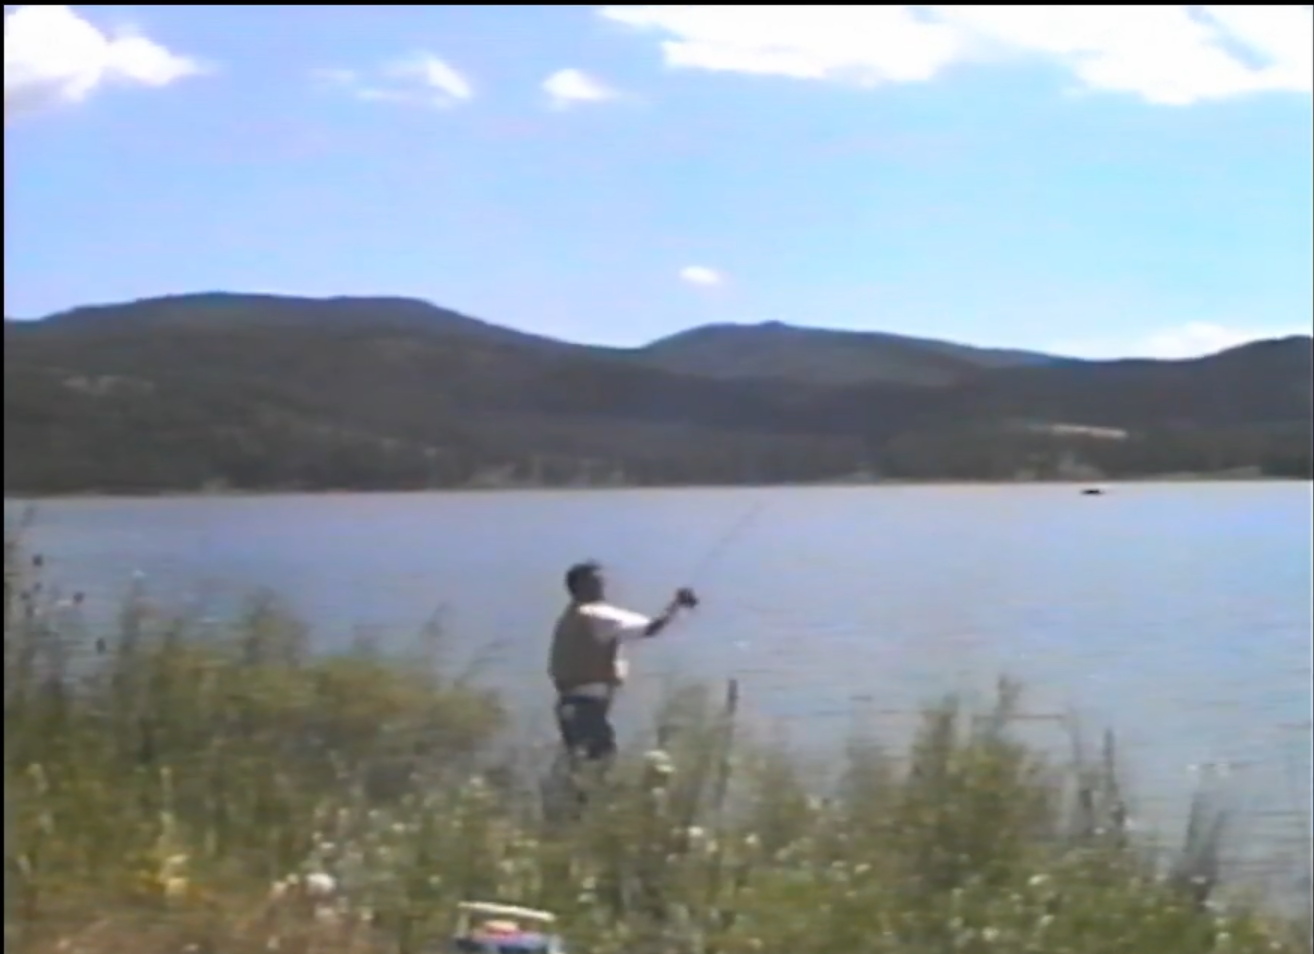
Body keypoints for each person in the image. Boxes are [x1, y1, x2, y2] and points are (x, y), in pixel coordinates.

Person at [548, 561, 697, 775]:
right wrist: (676, 605)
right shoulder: (596, 614)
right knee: (598, 764)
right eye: (596, 581)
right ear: (581, 585)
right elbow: (650, 628)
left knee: (581, 766)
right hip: (586, 707)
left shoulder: (570, 618)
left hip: (569, 705)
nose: (603, 585)